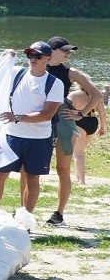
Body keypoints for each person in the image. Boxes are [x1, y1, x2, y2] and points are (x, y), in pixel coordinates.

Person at [0, 42, 63, 217]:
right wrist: (3, 57)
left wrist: (18, 117)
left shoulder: (54, 83)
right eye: (30, 55)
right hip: (11, 135)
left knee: (32, 178)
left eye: (38, 56)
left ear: (48, 58)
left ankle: (25, 219)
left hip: (39, 138)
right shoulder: (16, 73)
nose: (33, 59)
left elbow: (47, 114)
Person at [44, 36, 102, 226]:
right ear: (50, 51)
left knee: (63, 169)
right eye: (64, 50)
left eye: (69, 51)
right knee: (30, 169)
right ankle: (24, 210)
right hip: (40, 119)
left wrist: (81, 114)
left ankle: (58, 214)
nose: (68, 54)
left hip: (62, 120)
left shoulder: (71, 72)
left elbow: (96, 94)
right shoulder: (37, 67)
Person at [66, 82, 105, 186]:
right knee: (80, 151)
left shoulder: (74, 95)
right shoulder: (95, 95)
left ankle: (82, 181)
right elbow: (102, 112)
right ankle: (77, 176)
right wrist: (102, 127)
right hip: (92, 122)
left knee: (77, 153)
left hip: (79, 122)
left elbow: (65, 109)